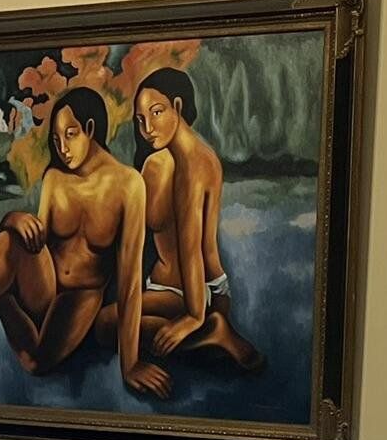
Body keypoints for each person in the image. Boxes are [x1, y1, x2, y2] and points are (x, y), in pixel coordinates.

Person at [0, 87, 163, 390]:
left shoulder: (129, 184)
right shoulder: (55, 178)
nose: (63, 148)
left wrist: (130, 364)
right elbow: (35, 245)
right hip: (45, 285)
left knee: (34, 363)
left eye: (71, 135)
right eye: (57, 139)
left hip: (82, 294)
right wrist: (11, 221)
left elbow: (130, 279)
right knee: (9, 238)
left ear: (90, 129)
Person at [95, 67, 262, 377]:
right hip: (194, 290)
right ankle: (211, 331)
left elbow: (191, 248)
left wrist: (193, 317)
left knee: (106, 325)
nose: (147, 128)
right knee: (129, 322)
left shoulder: (193, 165)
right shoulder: (162, 162)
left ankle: (209, 332)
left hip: (191, 293)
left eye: (156, 112)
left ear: (178, 106)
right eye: (140, 119)